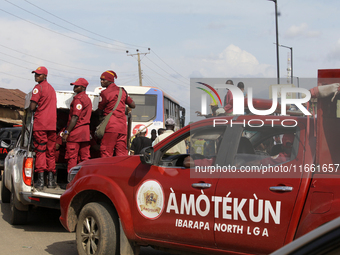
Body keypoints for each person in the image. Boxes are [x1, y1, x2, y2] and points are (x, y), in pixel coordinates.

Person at [29, 66, 57, 190]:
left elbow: (32, 107)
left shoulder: (38, 88)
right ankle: (51, 181)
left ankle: (40, 181)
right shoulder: (52, 89)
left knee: (40, 151)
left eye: (38, 75)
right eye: (35, 74)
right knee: (50, 152)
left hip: (41, 124)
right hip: (52, 125)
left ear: (45, 76)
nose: (36, 76)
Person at [97, 70, 136, 157]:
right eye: (101, 79)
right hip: (122, 126)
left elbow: (100, 109)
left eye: (103, 80)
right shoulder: (122, 91)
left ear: (110, 80)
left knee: (106, 151)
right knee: (121, 153)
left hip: (111, 126)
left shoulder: (104, 93)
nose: (101, 81)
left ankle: (106, 171)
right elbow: (133, 105)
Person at [62, 78, 92, 173]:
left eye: (77, 86)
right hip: (85, 132)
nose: (74, 87)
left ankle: (71, 180)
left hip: (76, 131)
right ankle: (85, 179)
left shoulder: (78, 99)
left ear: (83, 87)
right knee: (85, 158)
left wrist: (67, 132)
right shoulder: (88, 99)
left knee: (72, 158)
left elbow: (75, 117)